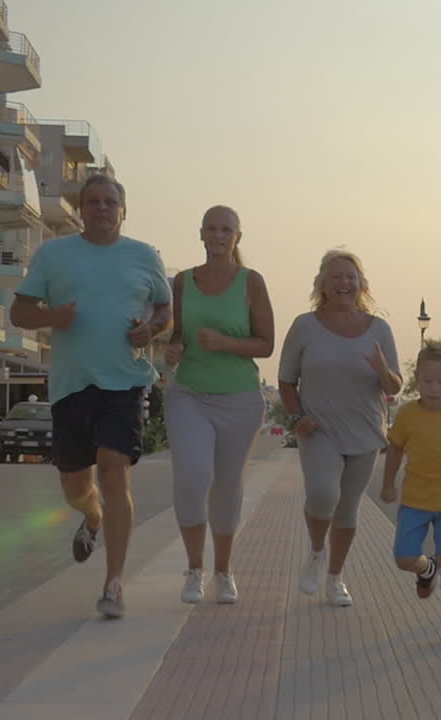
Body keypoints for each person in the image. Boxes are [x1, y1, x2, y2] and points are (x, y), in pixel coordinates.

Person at [9, 174, 172, 618]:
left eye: (110, 201)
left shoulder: (143, 256)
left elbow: (164, 309)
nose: (102, 208)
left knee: (115, 467)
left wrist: (151, 328)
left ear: (123, 208)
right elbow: (19, 311)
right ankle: (92, 514)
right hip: (71, 384)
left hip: (124, 379)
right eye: (93, 201)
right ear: (81, 208)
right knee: (75, 484)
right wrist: (51, 315)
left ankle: (114, 583)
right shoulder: (54, 254)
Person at [278, 250, 401, 607]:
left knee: (347, 509)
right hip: (319, 429)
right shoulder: (305, 325)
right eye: (336, 277)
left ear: (361, 284)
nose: (344, 283)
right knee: (322, 492)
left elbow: (394, 386)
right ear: (323, 285)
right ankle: (317, 551)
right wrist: (296, 416)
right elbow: (286, 381)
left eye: (350, 277)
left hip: (365, 430)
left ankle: (335, 577)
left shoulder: (379, 329)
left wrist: (381, 367)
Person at [164, 206, 274, 605]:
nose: (217, 234)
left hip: (239, 400)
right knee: (193, 477)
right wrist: (172, 348)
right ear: (201, 234)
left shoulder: (251, 282)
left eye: (225, 229)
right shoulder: (182, 282)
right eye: (211, 228)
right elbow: (175, 334)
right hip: (189, 393)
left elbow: (266, 344)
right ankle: (195, 568)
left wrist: (225, 343)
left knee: (227, 488)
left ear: (237, 236)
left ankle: (224, 572)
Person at [380, 340, 441, 647]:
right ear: (417, 379)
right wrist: (387, 483)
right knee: (404, 557)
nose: (434, 388)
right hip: (416, 500)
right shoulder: (409, 415)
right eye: (427, 381)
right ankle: (426, 569)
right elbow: (395, 449)